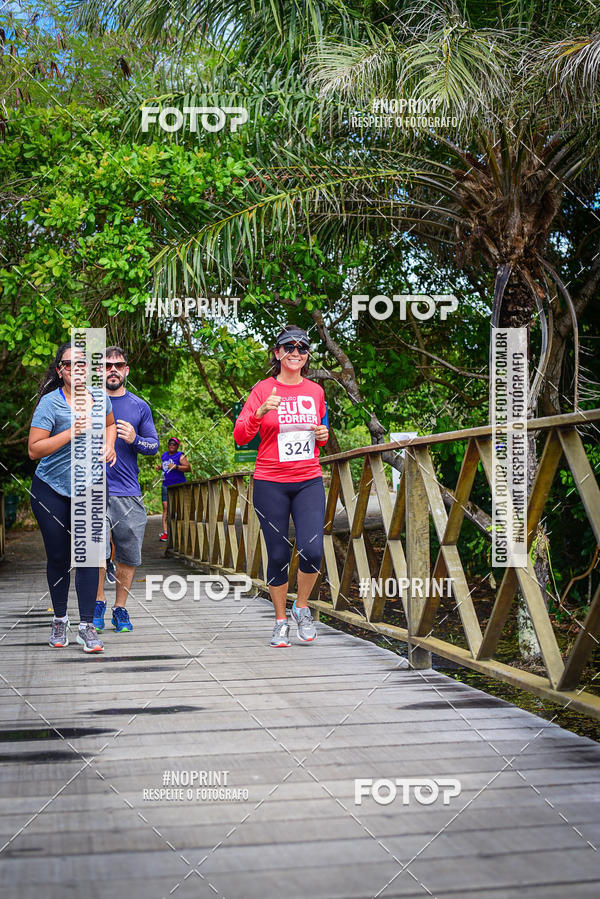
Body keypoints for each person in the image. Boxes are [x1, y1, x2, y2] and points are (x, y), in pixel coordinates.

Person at [233, 325, 329, 647]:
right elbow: (240, 436)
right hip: (270, 481)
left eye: (302, 348)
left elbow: (321, 429)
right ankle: (279, 620)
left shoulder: (315, 391)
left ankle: (301, 607)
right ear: (277, 353)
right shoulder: (262, 389)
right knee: (277, 553)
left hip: (308, 479)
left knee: (312, 550)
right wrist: (259, 413)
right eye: (289, 347)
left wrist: (324, 435)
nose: (296, 353)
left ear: (306, 356)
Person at [28, 343, 116, 653]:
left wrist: (110, 445)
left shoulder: (100, 398)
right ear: (60, 371)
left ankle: (87, 626)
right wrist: (71, 433)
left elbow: (110, 426)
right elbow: (34, 449)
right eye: (68, 364)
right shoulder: (50, 404)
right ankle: (60, 619)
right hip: (50, 488)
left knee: (91, 557)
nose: (75, 369)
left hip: (89, 487)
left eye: (81, 364)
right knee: (59, 558)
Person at [93, 347, 159, 633]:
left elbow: (153, 446)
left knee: (129, 554)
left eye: (118, 365)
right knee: (95, 548)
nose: (112, 370)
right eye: (107, 365)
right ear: (99, 370)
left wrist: (134, 439)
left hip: (127, 491)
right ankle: (97, 602)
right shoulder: (87, 402)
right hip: (92, 488)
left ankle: (120, 608)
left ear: (126, 370)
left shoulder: (139, 406)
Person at [157, 437, 191, 541]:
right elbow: (166, 467)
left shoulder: (180, 456)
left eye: (174, 444)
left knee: (179, 507)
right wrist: (160, 468)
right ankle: (166, 533)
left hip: (178, 485)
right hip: (166, 484)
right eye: (170, 444)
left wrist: (176, 467)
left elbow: (188, 468)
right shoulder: (164, 455)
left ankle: (181, 532)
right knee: (166, 508)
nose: (172, 445)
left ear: (177, 446)